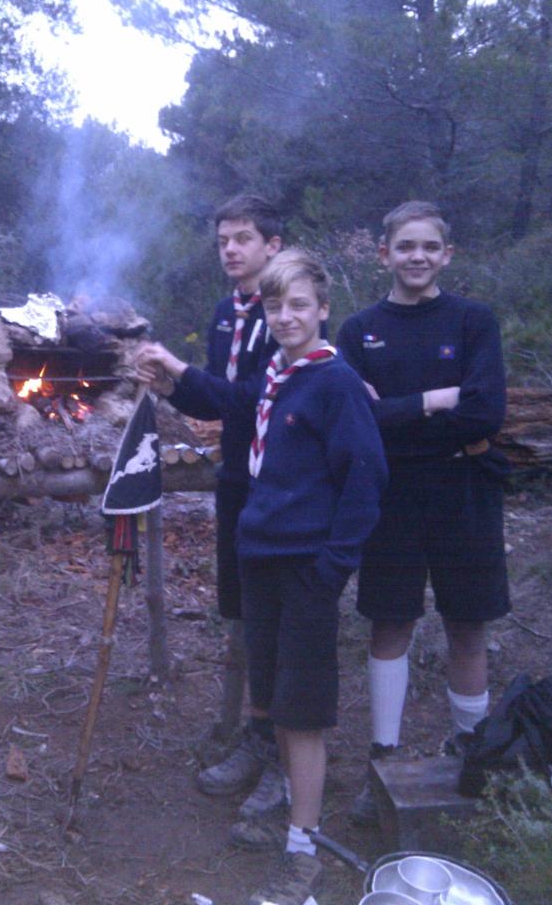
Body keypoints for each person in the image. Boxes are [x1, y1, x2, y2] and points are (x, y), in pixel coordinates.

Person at [140, 250, 387, 905]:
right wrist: (174, 374)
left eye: (299, 305)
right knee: (276, 695)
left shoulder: (333, 383)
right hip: (263, 558)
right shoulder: (278, 373)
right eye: (275, 307)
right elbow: (231, 400)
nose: (286, 317)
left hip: (306, 567)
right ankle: (288, 813)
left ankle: (303, 851)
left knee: (303, 713)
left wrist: (333, 567)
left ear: (323, 308)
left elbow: (366, 480)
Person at [336, 201, 509, 825]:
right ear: (383, 253)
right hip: (392, 493)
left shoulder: (473, 321)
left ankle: (474, 751)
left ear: (446, 255)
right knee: (390, 623)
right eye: (404, 246)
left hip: (465, 487)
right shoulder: (358, 331)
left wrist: (401, 412)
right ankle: (382, 756)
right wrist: (439, 398)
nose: (417, 257)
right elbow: (358, 419)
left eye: (428, 247)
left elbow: (487, 412)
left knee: (468, 622)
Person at [158, 195, 287, 823]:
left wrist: (183, 371)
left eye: (243, 238)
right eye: (223, 241)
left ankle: (287, 759)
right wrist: (174, 384)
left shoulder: (287, 311)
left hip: (284, 483)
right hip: (235, 479)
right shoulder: (223, 312)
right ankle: (258, 735)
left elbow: (258, 401)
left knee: (281, 618)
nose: (231, 250)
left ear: (273, 246)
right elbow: (218, 405)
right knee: (241, 609)